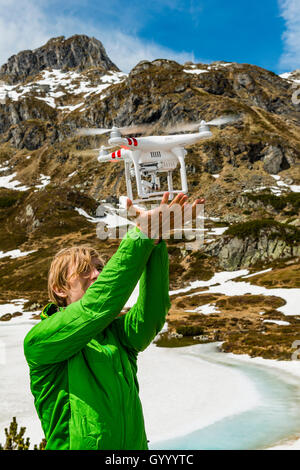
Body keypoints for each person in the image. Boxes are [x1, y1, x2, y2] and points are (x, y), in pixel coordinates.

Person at [23, 192, 204, 450]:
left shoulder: (117, 334)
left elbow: (152, 314)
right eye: (85, 270)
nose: (97, 274)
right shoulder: (41, 341)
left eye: (100, 267)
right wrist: (142, 234)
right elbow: (97, 307)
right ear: (60, 289)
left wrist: (156, 241)